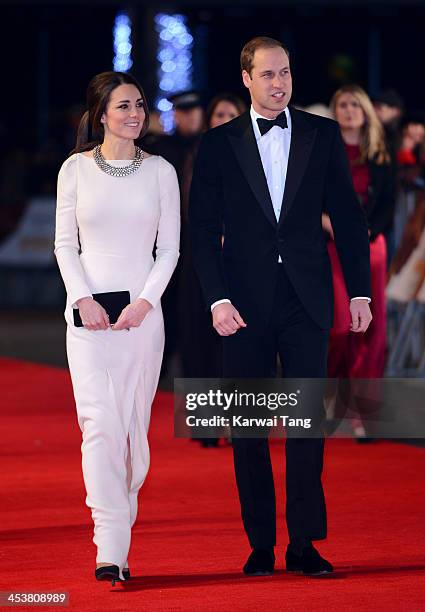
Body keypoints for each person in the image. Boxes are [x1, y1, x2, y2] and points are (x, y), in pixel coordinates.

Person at [189, 36, 372, 577]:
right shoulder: (219, 144)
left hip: (306, 301)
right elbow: (202, 229)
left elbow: (348, 217)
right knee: (247, 428)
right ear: (246, 79)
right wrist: (217, 298)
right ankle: (261, 543)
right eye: (267, 75)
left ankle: (304, 544)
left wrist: (359, 290)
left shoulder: (321, 134)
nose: (279, 83)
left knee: (305, 426)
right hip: (241, 307)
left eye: (285, 73)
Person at [54, 71, 180, 584]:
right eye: (123, 106)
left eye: (140, 105)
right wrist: (82, 298)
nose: (134, 113)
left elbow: (168, 249)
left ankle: (120, 531)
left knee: (132, 431)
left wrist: (145, 303)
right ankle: (110, 544)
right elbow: (66, 245)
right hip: (87, 321)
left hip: (141, 322)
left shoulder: (162, 172)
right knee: (99, 427)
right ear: (101, 114)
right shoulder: (74, 170)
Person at [325, 85, 395, 438]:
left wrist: (367, 234)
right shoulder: (324, 149)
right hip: (333, 245)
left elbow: (387, 205)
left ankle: (362, 412)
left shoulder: (380, 153)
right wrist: (328, 224)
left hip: (371, 247)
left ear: (365, 110)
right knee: (338, 327)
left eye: (355, 104)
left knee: (370, 330)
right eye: (342, 104)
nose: (349, 110)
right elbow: (313, 199)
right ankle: (331, 397)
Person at [180, 93, 246, 448]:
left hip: (243, 260)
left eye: (230, 113)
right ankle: (205, 423)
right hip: (201, 258)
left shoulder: (257, 156)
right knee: (199, 339)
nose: (223, 119)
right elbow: (190, 206)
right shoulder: (197, 155)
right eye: (218, 113)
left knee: (241, 343)